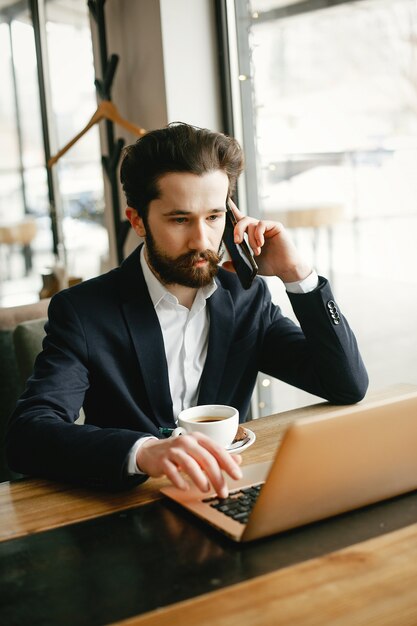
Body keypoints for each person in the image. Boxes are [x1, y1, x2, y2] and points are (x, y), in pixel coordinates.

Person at [6, 122, 368, 496]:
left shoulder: (247, 298)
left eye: (213, 217)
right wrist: (143, 452)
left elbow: (345, 385)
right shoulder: (83, 312)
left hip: (229, 490)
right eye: (180, 219)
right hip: (129, 506)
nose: (201, 240)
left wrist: (297, 275)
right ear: (138, 221)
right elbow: (28, 433)